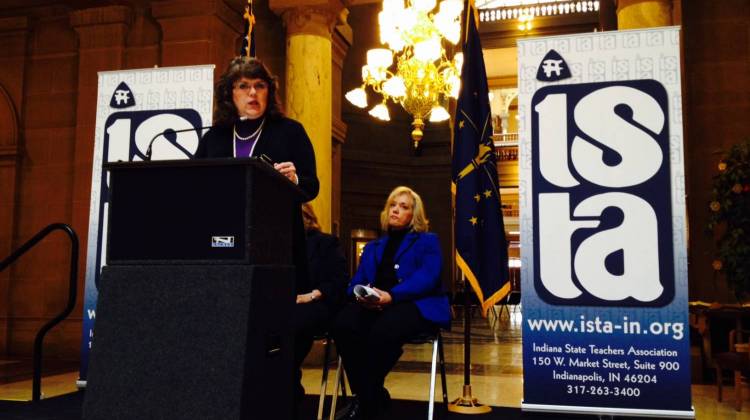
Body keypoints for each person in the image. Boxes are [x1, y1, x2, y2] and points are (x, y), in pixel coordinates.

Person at [194, 55, 319, 294]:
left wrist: (295, 180)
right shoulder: (214, 137)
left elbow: (312, 186)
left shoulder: (290, 131)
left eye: (259, 86)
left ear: (268, 92)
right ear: (229, 94)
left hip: (275, 241)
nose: (253, 92)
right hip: (223, 238)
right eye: (243, 86)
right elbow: (195, 184)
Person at [332, 186, 450, 420]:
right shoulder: (374, 246)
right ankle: (372, 397)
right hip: (375, 305)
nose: (395, 210)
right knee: (342, 324)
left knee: (382, 330)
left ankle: (365, 401)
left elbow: (427, 278)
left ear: (414, 214)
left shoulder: (427, 241)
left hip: (414, 304)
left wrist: (392, 296)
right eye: (392, 206)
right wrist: (360, 296)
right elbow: (357, 280)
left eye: (403, 206)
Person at [293, 203, 349, 413]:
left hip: (319, 303)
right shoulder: (279, 244)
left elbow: (338, 280)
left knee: (292, 326)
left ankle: (290, 386)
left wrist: (312, 295)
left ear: (306, 217)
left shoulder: (326, 243)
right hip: (289, 305)